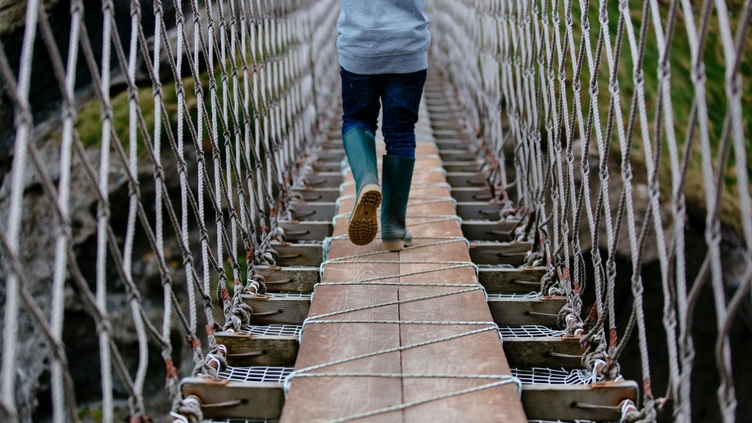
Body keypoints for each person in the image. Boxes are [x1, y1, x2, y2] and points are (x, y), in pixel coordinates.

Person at [337, 0, 430, 251]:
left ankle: (367, 178)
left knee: (358, 119)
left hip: (359, 47)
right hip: (408, 47)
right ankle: (393, 228)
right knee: (400, 132)